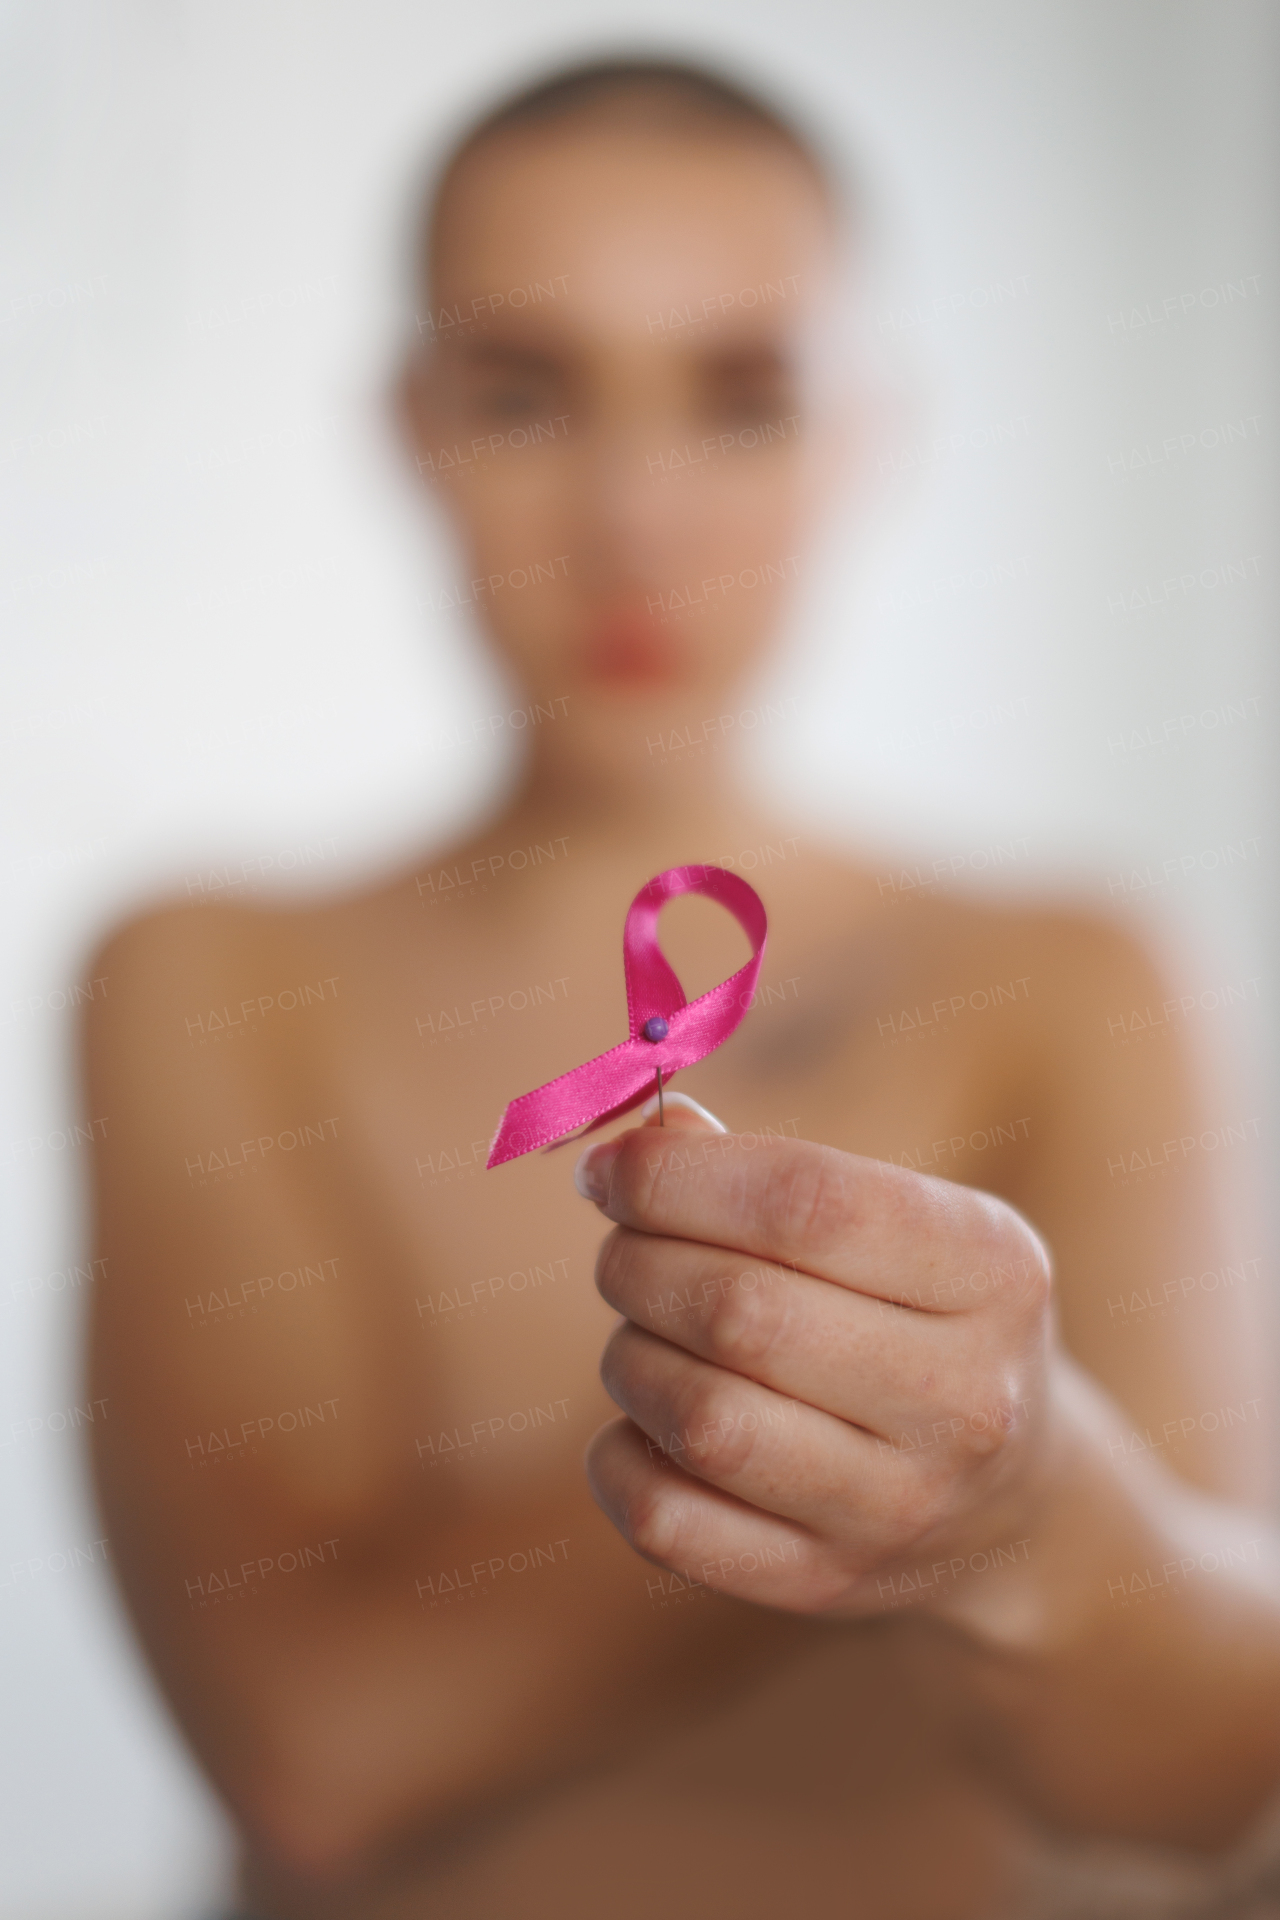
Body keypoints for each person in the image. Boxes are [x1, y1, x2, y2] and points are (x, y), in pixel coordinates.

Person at [83, 56, 1280, 1920]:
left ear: (862, 438)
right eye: (526, 392)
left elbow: (1206, 1769)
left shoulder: (1072, 980)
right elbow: (317, 1748)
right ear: (413, 427)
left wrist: (1032, 1495)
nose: (634, 519)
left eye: (743, 398)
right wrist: (899, 1490)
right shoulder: (209, 979)